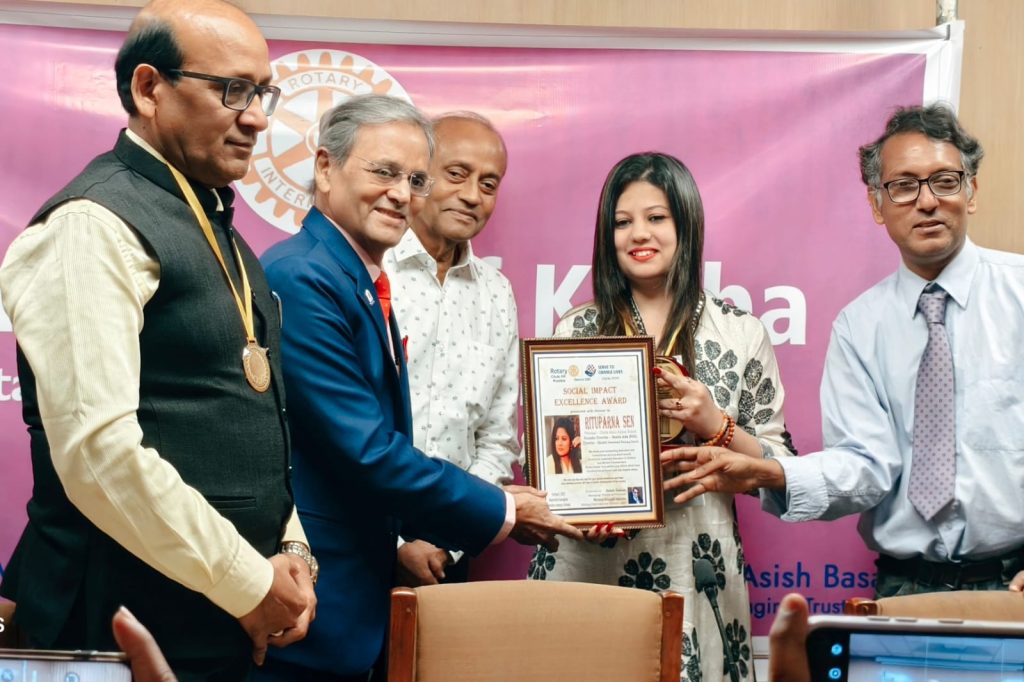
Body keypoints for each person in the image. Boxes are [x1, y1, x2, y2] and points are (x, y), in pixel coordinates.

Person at [0, 0, 316, 678]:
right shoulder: (91, 224)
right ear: (149, 88)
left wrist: (291, 552)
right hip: (112, 624)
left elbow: (251, 421)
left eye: (262, 93)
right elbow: (98, 452)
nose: (258, 117)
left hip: (218, 620)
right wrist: (250, 584)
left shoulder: (212, 220)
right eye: (233, 89)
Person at [256, 94, 582, 680]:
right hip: (323, 586)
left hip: (407, 573)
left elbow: (495, 434)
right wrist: (504, 510)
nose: (401, 193)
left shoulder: (362, 274)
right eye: (385, 172)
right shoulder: (306, 276)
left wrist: (450, 538)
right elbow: (365, 448)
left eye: (412, 179)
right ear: (325, 168)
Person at [664, 103, 1024, 598]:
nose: (927, 201)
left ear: (971, 191)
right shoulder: (860, 326)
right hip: (903, 590)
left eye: (945, 181)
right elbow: (865, 466)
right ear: (877, 205)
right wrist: (770, 472)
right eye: (904, 185)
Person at [527, 152, 796, 681]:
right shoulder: (573, 330)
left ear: (685, 224)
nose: (638, 234)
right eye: (622, 222)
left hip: (696, 563)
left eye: (656, 217)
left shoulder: (740, 332)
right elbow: (548, 458)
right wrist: (580, 509)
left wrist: (716, 425)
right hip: (587, 564)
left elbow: (780, 465)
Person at [383, 112, 519, 586]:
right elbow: (336, 431)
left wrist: (451, 538)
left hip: (450, 555)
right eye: (457, 174)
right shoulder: (370, 269)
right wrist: (396, 543)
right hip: (355, 539)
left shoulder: (497, 293)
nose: (472, 195)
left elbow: (498, 437)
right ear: (418, 176)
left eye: (489, 183)